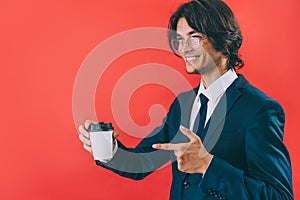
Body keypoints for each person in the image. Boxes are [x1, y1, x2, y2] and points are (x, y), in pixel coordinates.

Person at [78, 0, 294, 199]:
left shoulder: (259, 110)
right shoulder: (183, 104)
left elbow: (279, 195)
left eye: (195, 37)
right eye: (180, 40)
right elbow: (143, 161)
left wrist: (208, 165)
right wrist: (107, 148)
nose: (184, 48)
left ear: (222, 38)